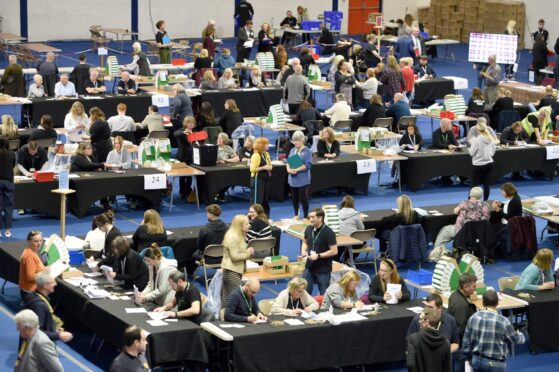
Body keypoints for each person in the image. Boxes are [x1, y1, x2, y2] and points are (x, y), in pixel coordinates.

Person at [462, 290, 525, 371]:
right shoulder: (503, 321)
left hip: (476, 360)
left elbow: (466, 342)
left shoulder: (473, 317)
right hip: (495, 364)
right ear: (497, 303)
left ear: (483, 302)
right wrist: (521, 336)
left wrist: (468, 358)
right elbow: (515, 339)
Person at [23, 272, 73, 342]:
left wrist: (53, 328)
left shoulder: (34, 296)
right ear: (45, 285)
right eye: (52, 282)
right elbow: (34, 332)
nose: (55, 284)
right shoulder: (38, 306)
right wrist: (58, 335)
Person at [301, 208, 338, 295]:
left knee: (324, 295)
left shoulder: (328, 232)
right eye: (309, 217)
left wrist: (318, 256)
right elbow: (305, 241)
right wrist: (303, 250)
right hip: (309, 266)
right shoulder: (308, 229)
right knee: (304, 292)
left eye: (313, 217)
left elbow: (334, 251)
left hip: (323, 268)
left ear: (320, 218)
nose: (310, 219)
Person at [221, 215, 255, 308]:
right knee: (234, 297)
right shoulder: (233, 237)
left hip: (235, 270)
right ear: (240, 225)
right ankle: (226, 316)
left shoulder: (239, 235)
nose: (249, 226)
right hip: (231, 271)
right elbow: (235, 257)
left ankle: (223, 316)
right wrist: (248, 253)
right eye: (246, 224)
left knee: (228, 296)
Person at [406, 308, 452, 372]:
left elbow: (410, 364)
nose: (419, 322)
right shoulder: (446, 343)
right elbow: (447, 368)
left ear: (426, 321)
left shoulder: (414, 339)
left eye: (420, 319)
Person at [137, 245, 177, 311]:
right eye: (145, 260)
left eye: (148, 261)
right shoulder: (152, 265)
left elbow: (162, 290)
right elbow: (150, 284)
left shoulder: (166, 269)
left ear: (155, 258)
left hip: (168, 300)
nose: (146, 263)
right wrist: (142, 294)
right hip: (157, 299)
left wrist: (146, 297)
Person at [287, 131, 312, 219]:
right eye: (294, 141)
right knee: (294, 198)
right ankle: (296, 215)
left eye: (297, 140)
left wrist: (297, 170)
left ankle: (305, 216)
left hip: (303, 179)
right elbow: (288, 162)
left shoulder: (307, 151)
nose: (295, 142)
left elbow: (308, 165)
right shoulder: (292, 150)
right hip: (292, 179)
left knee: (303, 198)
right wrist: (289, 170)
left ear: (302, 140)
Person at [448, 272, 478, 345]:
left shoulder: (454, 294)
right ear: (465, 287)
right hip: (461, 344)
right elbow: (461, 328)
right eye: (473, 286)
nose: (475, 288)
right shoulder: (462, 305)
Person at [469, 120, 496, 201]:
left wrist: (472, 143)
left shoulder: (476, 140)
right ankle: (485, 201)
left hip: (478, 164)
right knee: (486, 184)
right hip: (489, 163)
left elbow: (471, 153)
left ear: (478, 130)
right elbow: (493, 151)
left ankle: (471, 201)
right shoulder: (491, 138)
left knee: (474, 184)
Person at [196, 204, 227, 271]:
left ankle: (189, 275)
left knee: (192, 255)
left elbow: (200, 246)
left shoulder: (204, 230)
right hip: (223, 257)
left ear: (211, 214)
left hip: (208, 259)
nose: (207, 215)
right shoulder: (227, 228)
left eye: (207, 213)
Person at [19, 231, 46, 299]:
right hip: (31, 292)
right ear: (28, 241)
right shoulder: (30, 256)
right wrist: (46, 274)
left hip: (31, 291)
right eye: (36, 241)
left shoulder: (31, 252)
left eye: (40, 240)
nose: (39, 244)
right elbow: (30, 277)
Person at [174, 116, 197, 199]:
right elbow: (175, 133)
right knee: (182, 175)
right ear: (186, 123)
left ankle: (188, 191)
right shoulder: (181, 131)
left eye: (192, 123)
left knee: (190, 175)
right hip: (182, 156)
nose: (191, 125)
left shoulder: (194, 131)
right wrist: (184, 132)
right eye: (189, 123)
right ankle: (182, 191)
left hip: (191, 156)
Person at [250, 137, 272, 216]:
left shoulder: (266, 154)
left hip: (266, 179)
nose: (268, 145)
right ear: (262, 145)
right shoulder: (256, 155)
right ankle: (255, 217)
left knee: (265, 199)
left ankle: (266, 217)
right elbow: (252, 169)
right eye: (266, 144)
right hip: (258, 180)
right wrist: (263, 167)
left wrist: (270, 167)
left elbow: (269, 164)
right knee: (257, 200)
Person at [0, 138, 14, 238]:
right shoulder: (12, 154)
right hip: (8, 182)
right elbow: (13, 166)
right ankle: (8, 230)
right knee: (8, 207)